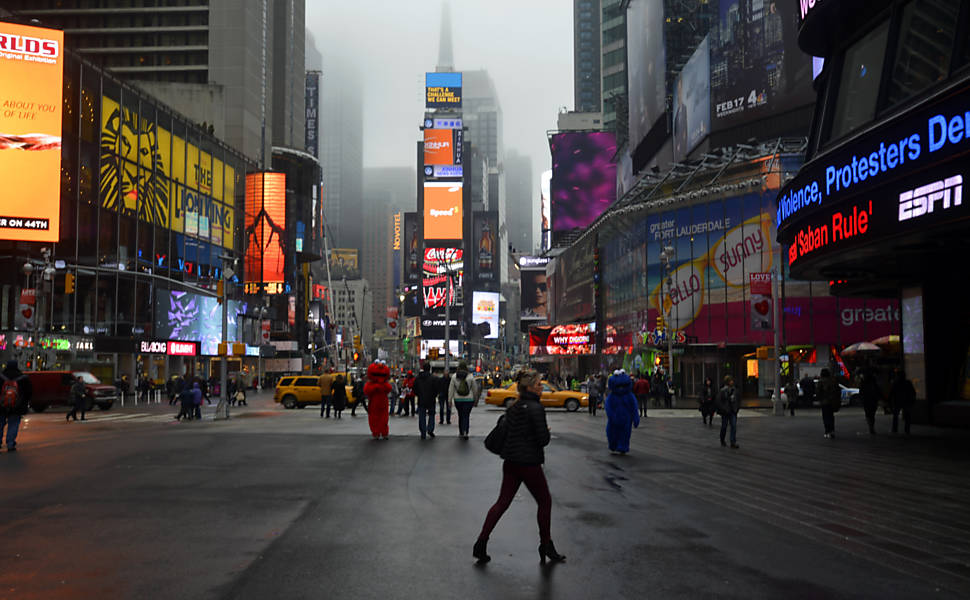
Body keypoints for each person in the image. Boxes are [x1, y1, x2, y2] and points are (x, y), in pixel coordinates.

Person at [473, 368, 564, 565]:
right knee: (545, 502)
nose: (542, 388)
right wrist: (546, 431)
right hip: (529, 463)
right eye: (539, 384)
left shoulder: (514, 406)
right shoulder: (536, 408)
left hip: (511, 462)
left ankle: (481, 542)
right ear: (531, 387)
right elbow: (543, 440)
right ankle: (546, 544)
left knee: (502, 503)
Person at [605, 370, 640, 454]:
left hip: (626, 420)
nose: (621, 388)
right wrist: (611, 416)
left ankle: (623, 446)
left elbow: (634, 407)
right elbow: (608, 407)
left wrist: (636, 418)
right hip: (614, 420)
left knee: (625, 434)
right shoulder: (612, 397)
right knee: (612, 434)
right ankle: (613, 444)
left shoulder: (629, 396)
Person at [1, 360, 32, 452]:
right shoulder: (23, 378)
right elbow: (28, 392)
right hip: (17, 405)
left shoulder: (1, 377)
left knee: (0, 423)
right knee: (13, 424)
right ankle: (10, 444)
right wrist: (24, 402)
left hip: (1, 405)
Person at [363, 361, 391, 439]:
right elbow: (388, 388)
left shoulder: (371, 384)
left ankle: (376, 433)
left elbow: (366, 390)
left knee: (375, 418)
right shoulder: (384, 384)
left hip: (374, 402)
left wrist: (375, 387)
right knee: (383, 418)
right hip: (383, 402)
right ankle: (383, 433)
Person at [450, 361, 478, 439]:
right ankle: (466, 431)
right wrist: (475, 399)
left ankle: (461, 431)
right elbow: (475, 389)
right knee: (466, 415)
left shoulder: (454, 376)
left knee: (460, 415)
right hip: (469, 399)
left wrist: (449, 400)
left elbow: (451, 389)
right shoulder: (470, 377)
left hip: (458, 400)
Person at [715, 375, 740, 449]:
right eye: (730, 380)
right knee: (724, 426)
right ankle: (722, 439)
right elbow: (719, 401)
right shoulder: (723, 390)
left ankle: (733, 442)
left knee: (733, 426)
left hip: (732, 411)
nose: (732, 382)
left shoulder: (734, 390)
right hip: (726, 411)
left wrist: (736, 408)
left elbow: (737, 399)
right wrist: (723, 409)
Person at [888, 368, 916, 435]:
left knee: (896, 416)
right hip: (906, 401)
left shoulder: (896, 383)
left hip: (898, 401)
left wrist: (890, 401)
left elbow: (892, 393)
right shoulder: (907, 382)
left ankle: (895, 429)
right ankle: (907, 430)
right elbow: (913, 392)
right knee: (907, 416)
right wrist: (912, 400)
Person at [414, 362, 437, 440]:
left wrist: (419, 394)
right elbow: (436, 389)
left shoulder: (418, 378)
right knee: (431, 415)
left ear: (423, 368)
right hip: (431, 400)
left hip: (421, 399)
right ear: (429, 369)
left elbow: (415, 389)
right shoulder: (433, 378)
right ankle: (430, 429)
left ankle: (423, 432)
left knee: (422, 417)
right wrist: (434, 395)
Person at [817, 368, 841, 439]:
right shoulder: (832, 381)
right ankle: (832, 430)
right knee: (831, 416)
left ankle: (827, 431)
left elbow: (818, 392)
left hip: (824, 402)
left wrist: (820, 399)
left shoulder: (820, 382)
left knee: (825, 416)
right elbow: (837, 390)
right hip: (832, 401)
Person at [860, 368, 882, 435]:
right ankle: (871, 427)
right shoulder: (874, 383)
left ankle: (870, 427)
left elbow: (861, 392)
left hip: (866, 400)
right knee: (872, 414)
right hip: (873, 400)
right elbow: (878, 391)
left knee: (868, 414)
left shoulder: (863, 384)